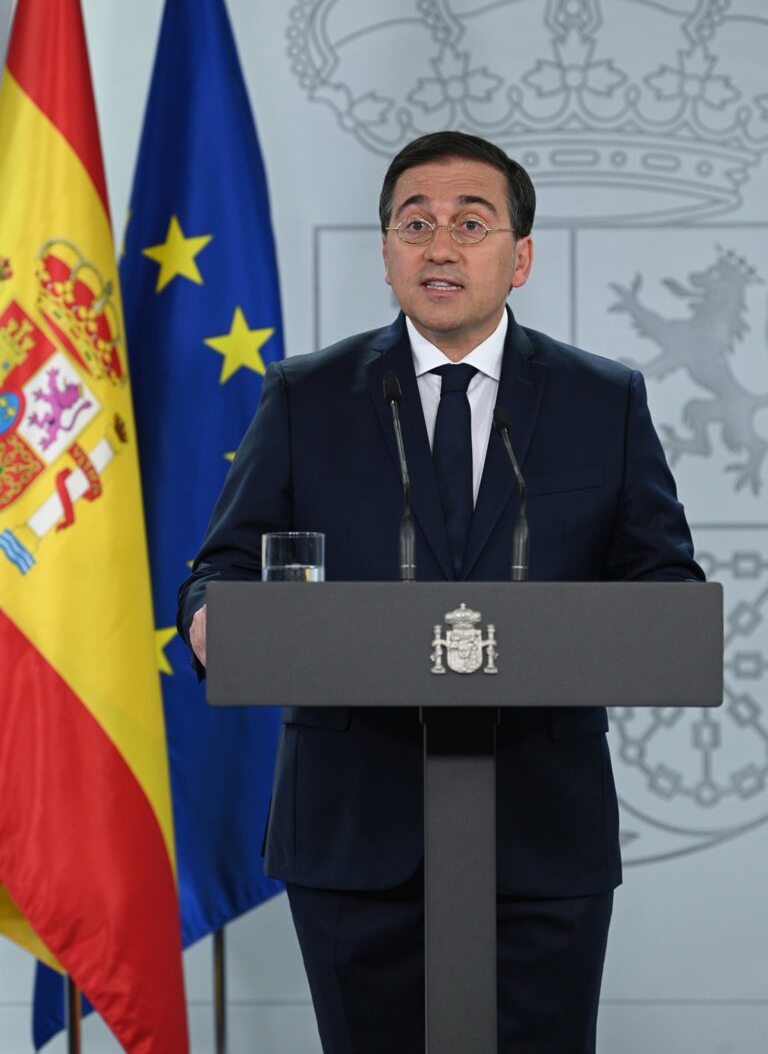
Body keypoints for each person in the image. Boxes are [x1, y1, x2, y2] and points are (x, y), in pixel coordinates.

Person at [178, 131, 703, 1054]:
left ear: (520, 256)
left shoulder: (602, 400)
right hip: (353, 832)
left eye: (470, 223)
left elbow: (665, 585)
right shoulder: (306, 396)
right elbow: (218, 570)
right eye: (414, 224)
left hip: (543, 834)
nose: (440, 246)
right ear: (387, 252)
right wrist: (213, 619)